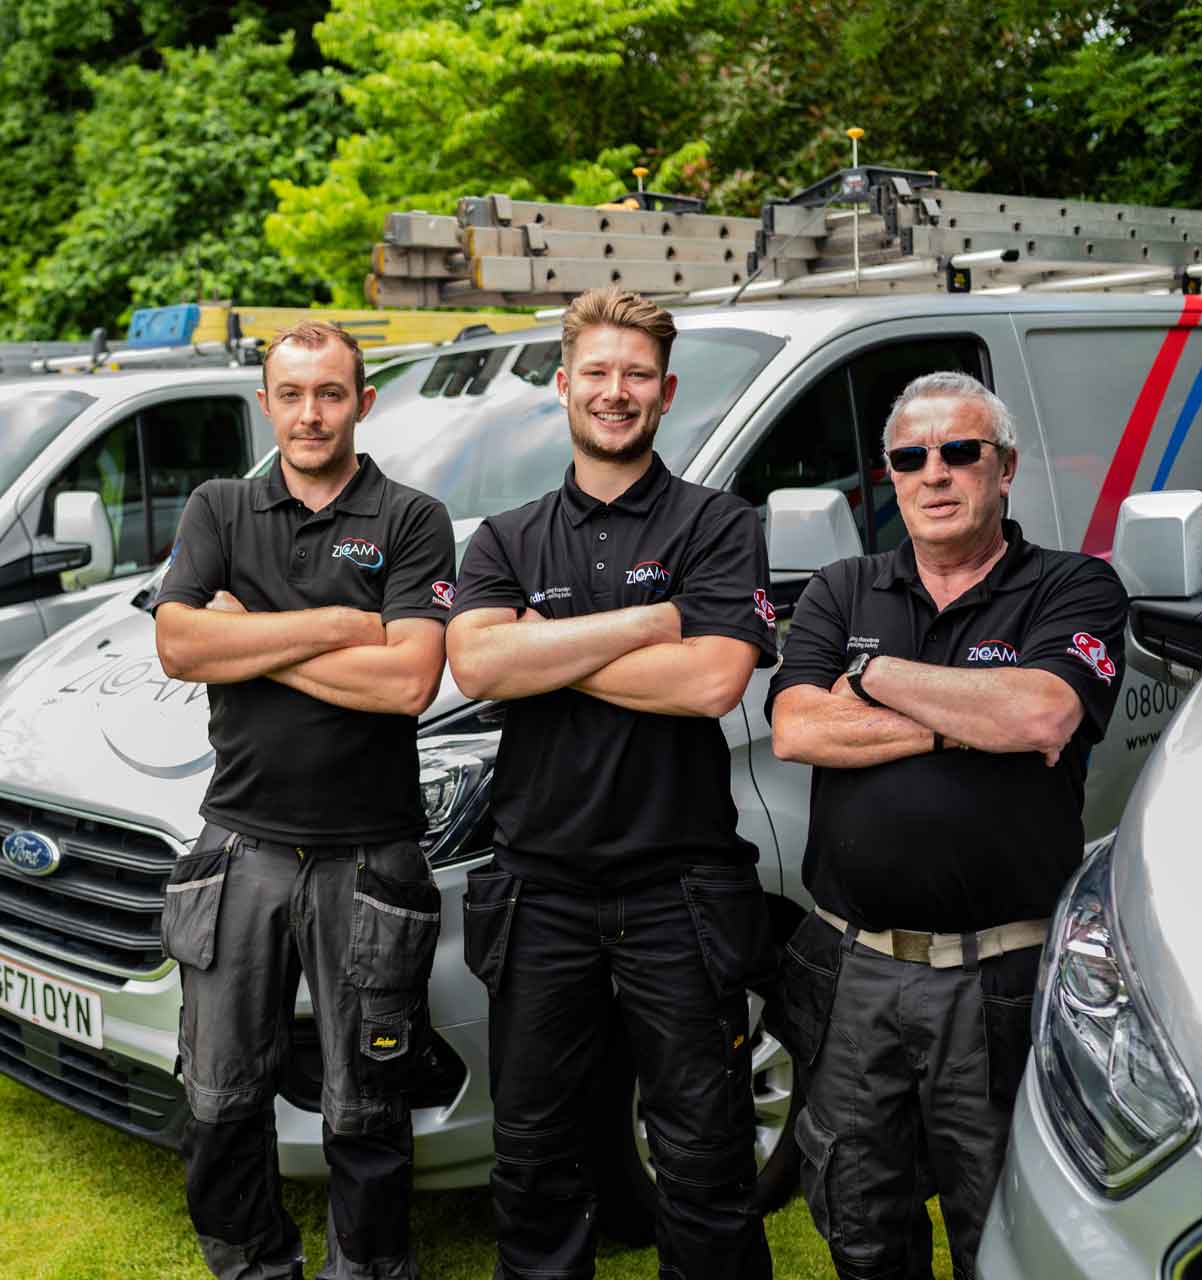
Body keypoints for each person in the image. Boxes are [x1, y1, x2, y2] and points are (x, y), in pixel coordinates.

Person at [445, 286, 778, 1280]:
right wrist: (648, 621)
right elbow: (477, 667)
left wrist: (542, 645)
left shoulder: (718, 525)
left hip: (677, 893)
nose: (616, 390)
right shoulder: (506, 536)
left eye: (637, 373)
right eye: (597, 371)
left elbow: (714, 678)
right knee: (537, 1160)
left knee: (705, 1156)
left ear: (667, 391)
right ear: (563, 385)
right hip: (538, 893)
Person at [766, 371, 1128, 1277]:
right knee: (859, 1216)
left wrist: (878, 676)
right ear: (890, 475)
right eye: (910, 457)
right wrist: (964, 722)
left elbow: (1044, 715)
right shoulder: (844, 586)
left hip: (997, 981)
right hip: (854, 974)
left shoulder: (1074, 587)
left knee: (999, 1223)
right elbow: (797, 726)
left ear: (1003, 468)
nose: (935, 473)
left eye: (960, 451)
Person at [152, 320, 456, 1280]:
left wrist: (255, 633)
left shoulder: (412, 518)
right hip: (240, 848)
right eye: (293, 393)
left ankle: (365, 1272)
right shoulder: (219, 506)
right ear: (266, 403)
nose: (311, 412)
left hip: (370, 858)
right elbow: (178, 647)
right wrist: (337, 624)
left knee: (366, 1105)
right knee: (218, 1095)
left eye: (331, 393)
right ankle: (251, 1263)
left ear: (363, 403)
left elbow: (408, 683)